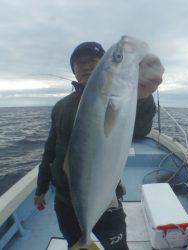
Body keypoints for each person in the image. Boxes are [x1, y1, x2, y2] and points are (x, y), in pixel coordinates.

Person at [34, 41, 164, 250]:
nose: (85, 66)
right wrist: (41, 188)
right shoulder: (61, 107)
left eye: (93, 61)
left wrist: (143, 97)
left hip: (106, 198)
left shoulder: (124, 99)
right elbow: (50, 150)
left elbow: (140, 129)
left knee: (117, 247)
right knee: (75, 243)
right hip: (65, 200)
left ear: (102, 65)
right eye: (79, 63)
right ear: (73, 71)